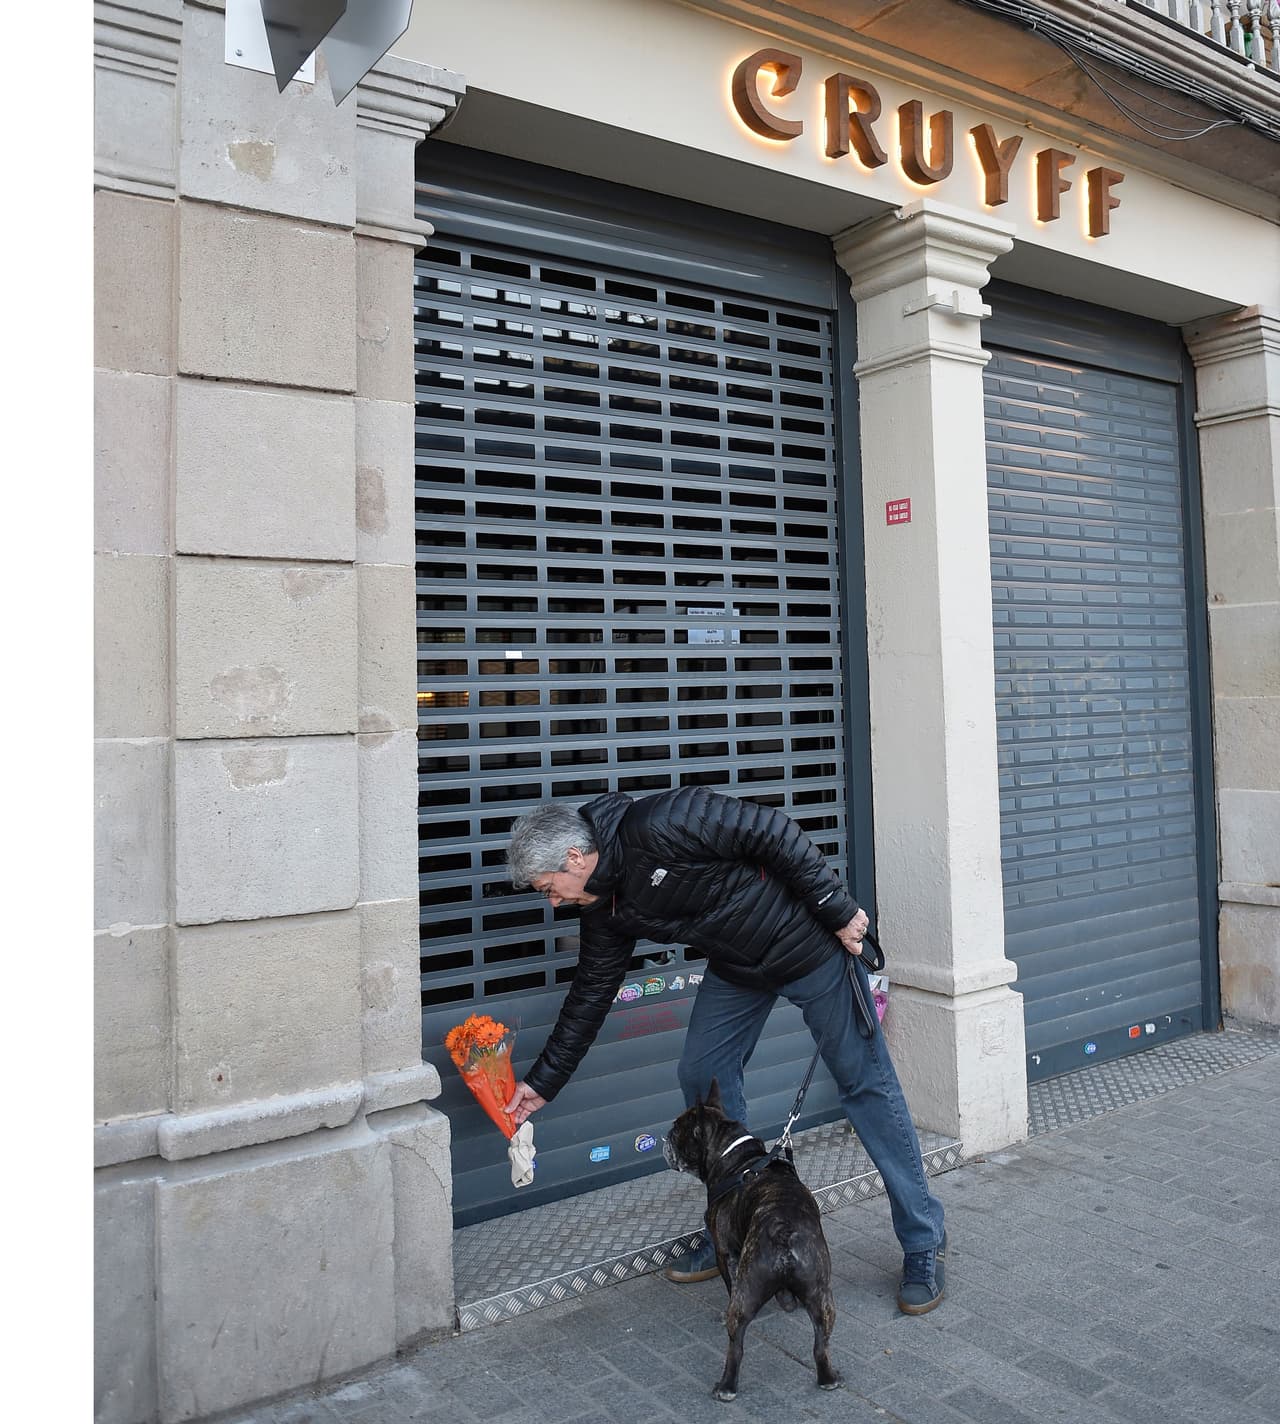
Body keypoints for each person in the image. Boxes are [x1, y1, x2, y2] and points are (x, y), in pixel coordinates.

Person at [502, 786, 947, 1314]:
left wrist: (836, 907)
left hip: (809, 946)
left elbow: (771, 831)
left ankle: (923, 1240)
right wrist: (542, 1082)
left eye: (550, 888)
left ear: (574, 857)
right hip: (739, 967)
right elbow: (591, 993)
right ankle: (731, 1233)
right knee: (702, 1073)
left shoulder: (661, 823)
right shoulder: (605, 905)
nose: (554, 902)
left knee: (865, 1085)